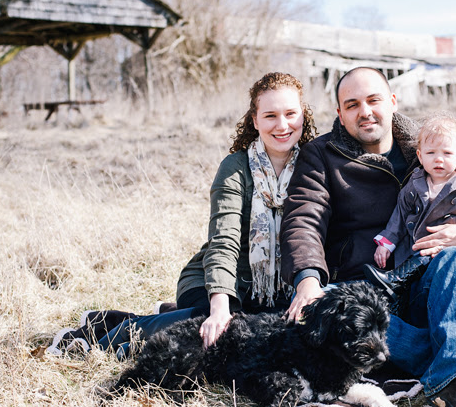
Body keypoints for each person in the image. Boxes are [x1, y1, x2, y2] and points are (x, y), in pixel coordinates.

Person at [279, 67, 456, 407]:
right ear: (340, 113)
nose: (365, 111)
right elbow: (303, 219)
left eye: (373, 100)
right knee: (331, 317)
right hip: (360, 289)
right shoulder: (320, 155)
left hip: (422, 281)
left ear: (392, 102)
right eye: (352, 104)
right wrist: (307, 279)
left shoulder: (429, 144)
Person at [47, 72, 317, 357]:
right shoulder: (236, 168)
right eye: (270, 115)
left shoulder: (314, 165)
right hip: (212, 281)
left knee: (272, 329)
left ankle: (148, 317)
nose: (283, 125)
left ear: (303, 115)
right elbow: (223, 242)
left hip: (274, 289)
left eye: (290, 113)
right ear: (255, 120)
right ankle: (96, 338)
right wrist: (221, 308)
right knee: (224, 325)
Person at [363, 113, 456, 306]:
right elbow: (400, 217)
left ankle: (395, 280)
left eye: (447, 153)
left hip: (451, 253)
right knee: (421, 260)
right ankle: (399, 292)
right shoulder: (415, 183)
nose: (439, 160)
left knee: (434, 259)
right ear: (419, 155)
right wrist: (386, 243)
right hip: (417, 246)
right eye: (431, 153)